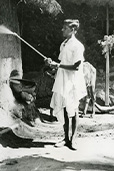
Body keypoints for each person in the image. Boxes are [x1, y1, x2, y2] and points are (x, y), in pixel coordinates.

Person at [44, 19, 87, 150]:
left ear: (73, 30)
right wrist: (52, 65)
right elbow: (61, 64)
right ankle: (66, 138)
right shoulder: (63, 44)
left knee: (73, 108)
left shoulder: (78, 46)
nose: (62, 30)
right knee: (63, 107)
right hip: (62, 79)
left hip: (72, 80)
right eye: (63, 28)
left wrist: (58, 65)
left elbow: (75, 67)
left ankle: (73, 139)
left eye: (65, 28)